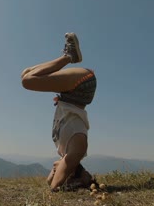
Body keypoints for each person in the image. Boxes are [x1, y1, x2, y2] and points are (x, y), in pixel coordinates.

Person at [20, 32, 97, 191]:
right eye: (60, 170)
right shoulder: (76, 149)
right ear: (72, 172)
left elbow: (50, 180)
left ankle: (68, 56)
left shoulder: (66, 152)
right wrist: (65, 179)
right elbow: (55, 186)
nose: (55, 168)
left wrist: (58, 167)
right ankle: (69, 56)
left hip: (71, 93)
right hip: (81, 87)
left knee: (25, 74)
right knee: (27, 81)